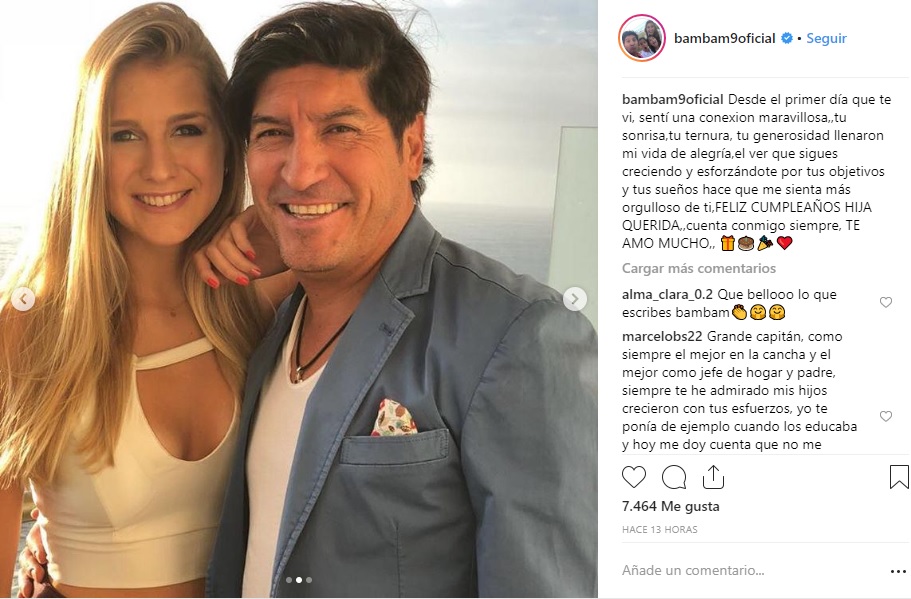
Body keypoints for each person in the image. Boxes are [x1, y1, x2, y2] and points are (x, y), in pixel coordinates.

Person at [195, 3, 597, 597]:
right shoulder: (278, 322)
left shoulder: (519, 335)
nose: (300, 172)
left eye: (340, 129)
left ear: (411, 145)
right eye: (273, 133)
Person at [1, 3, 291, 597]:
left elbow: (385, 225)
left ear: (225, 143)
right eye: (125, 135)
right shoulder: (27, 327)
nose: (160, 168)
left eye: (187, 129)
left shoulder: (265, 301)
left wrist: (267, 228)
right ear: (89, 153)